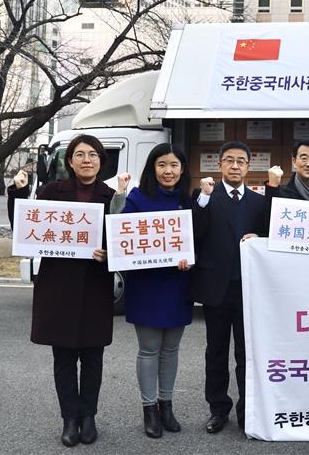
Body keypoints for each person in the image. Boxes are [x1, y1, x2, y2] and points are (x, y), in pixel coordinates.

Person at [7, 134, 114, 447]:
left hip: (95, 285)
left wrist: (109, 251)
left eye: (92, 154)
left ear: (101, 161)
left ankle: (89, 416)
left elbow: (123, 238)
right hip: (58, 284)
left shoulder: (111, 196)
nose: (86, 160)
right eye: (79, 154)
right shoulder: (52, 191)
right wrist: (19, 192)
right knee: (64, 357)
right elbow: (25, 227)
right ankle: (70, 418)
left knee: (93, 356)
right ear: (69, 161)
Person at [110, 144, 193, 438]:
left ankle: (166, 406)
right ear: (152, 168)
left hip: (178, 284)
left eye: (174, 165)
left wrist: (189, 260)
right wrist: (119, 194)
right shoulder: (137, 197)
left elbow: (201, 237)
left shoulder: (189, 199)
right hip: (146, 284)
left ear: (182, 169)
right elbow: (118, 230)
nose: (168, 171)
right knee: (149, 350)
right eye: (161, 165)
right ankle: (149, 410)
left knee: (171, 349)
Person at [192, 141, 266, 433]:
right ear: (219, 164)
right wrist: (203, 200)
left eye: (241, 162)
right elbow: (194, 234)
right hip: (216, 288)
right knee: (216, 352)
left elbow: (270, 237)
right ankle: (218, 409)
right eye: (229, 161)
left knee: (246, 354)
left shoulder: (259, 202)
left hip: (249, 290)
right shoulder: (204, 196)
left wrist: (258, 238)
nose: (235, 166)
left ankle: (248, 411)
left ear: (249, 167)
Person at [265, 139, 309, 208]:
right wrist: (272, 187)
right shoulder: (281, 194)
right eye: (304, 158)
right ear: (294, 162)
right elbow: (269, 217)